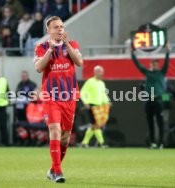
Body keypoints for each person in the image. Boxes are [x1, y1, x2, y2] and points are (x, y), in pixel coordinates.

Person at [34, 16, 83, 182]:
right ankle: (58, 172)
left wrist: (67, 45)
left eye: (61, 26)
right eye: (55, 27)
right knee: (55, 130)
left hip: (69, 96)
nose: (59, 29)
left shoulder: (73, 45)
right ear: (48, 31)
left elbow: (79, 62)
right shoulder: (41, 47)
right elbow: (39, 68)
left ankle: (53, 169)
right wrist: (50, 49)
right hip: (51, 96)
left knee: (66, 136)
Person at [131, 44, 170, 149]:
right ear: (151, 64)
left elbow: (167, 62)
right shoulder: (147, 72)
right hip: (149, 100)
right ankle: (152, 142)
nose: (155, 65)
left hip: (158, 99)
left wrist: (167, 51)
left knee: (160, 122)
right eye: (153, 63)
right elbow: (137, 64)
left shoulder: (162, 73)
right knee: (150, 122)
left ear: (158, 65)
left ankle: (161, 142)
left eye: (156, 63)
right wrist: (132, 53)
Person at [80, 66, 110, 148]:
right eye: (100, 71)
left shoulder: (102, 83)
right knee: (96, 124)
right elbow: (83, 92)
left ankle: (84, 143)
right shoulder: (90, 81)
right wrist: (86, 102)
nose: (102, 73)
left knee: (94, 125)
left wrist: (107, 102)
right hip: (91, 105)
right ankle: (101, 143)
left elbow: (103, 94)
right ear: (95, 72)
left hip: (99, 106)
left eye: (102, 71)